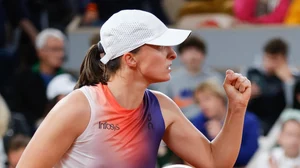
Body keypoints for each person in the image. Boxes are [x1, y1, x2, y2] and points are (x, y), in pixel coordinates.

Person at [17, 10, 251, 168]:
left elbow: (215, 162)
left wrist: (237, 108)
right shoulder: (78, 107)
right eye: (161, 47)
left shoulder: (162, 107)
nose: (173, 54)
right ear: (130, 59)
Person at [191, 80, 260, 167]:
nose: (203, 105)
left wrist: (221, 136)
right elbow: (196, 155)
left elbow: (249, 156)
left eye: (207, 99)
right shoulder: (199, 121)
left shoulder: (248, 121)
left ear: (221, 98)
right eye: (199, 102)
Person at [246, 38, 300, 135]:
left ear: (284, 59)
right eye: (267, 58)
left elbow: (292, 106)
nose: (269, 63)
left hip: (284, 126)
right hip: (259, 125)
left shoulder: (295, 79)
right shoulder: (254, 75)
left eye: (274, 59)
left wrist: (288, 82)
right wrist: (248, 95)